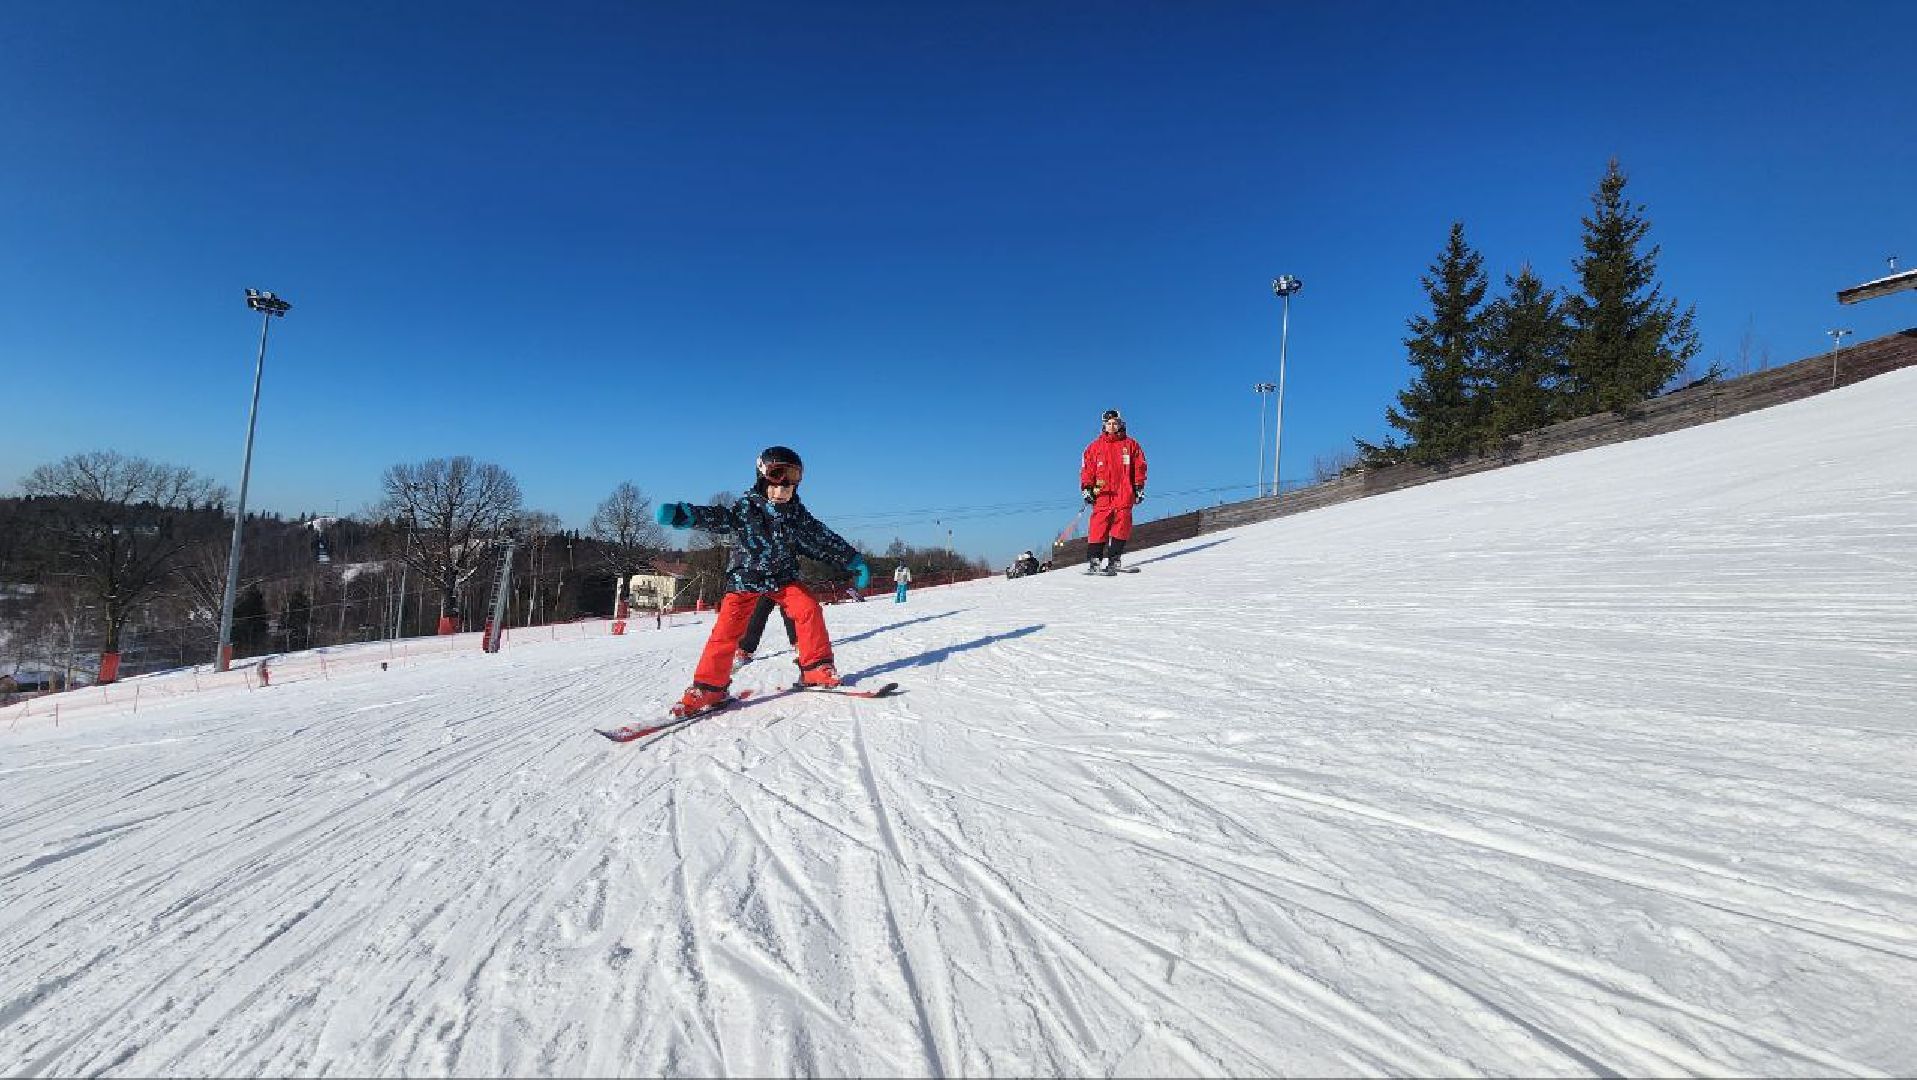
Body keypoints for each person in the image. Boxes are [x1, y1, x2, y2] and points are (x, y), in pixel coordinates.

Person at [655, 445, 870, 715]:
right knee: (726, 631)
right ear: (762, 479)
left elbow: (822, 540)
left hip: (783, 578)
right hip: (746, 579)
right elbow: (718, 517)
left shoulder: (798, 517)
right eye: (776, 485)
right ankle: (710, 688)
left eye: (789, 487)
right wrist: (683, 515)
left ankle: (815, 668)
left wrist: (853, 560)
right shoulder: (745, 511)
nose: (782, 492)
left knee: (808, 609)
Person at [1079, 408, 1147, 575]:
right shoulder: (1094, 448)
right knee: (1098, 527)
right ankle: (1094, 562)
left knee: (1122, 526)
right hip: (1102, 494)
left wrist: (1138, 487)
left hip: (1124, 493)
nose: (1112, 426)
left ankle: (1114, 561)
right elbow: (1087, 470)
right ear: (1104, 426)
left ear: (1120, 424)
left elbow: (1140, 467)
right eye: (1108, 424)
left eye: (1114, 423)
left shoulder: (1131, 445)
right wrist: (1087, 488)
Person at [732, 594, 796, 670]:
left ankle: (799, 644)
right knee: (759, 609)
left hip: (787, 585)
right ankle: (745, 649)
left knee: (791, 608)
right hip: (766, 585)